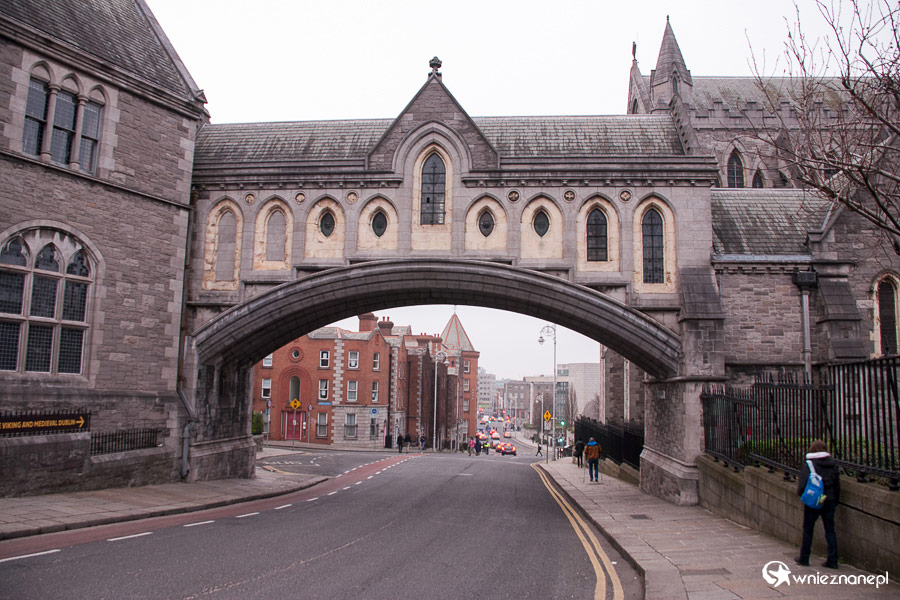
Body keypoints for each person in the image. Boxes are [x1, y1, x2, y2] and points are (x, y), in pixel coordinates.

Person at [795, 440, 840, 569]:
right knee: (830, 530)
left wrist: (802, 495)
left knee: (808, 529)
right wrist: (835, 500)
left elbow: (802, 485)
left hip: (813, 500)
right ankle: (833, 560)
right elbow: (837, 485)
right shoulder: (833, 464)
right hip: (828, 499)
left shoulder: (809, 464)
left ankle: (804, 558)